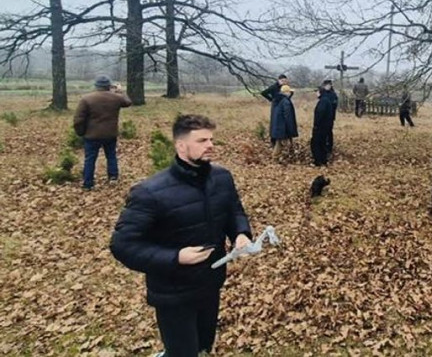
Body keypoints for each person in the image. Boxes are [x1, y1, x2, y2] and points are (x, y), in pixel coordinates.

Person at [110, 114, 253, 357]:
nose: (210, 145)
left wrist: (240, 233)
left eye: (211, 139)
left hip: (211, 283)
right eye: (202, 141)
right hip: (173, 293)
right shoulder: (150, 192)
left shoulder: (222, 178)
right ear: (181, 146)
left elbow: (233, 211)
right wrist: (175, 257)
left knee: (203, 347)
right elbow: (122, 245)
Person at [73, 75, 133, 190]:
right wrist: (120, 91)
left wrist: (81, 132)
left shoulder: (86, 99)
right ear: (109, 86)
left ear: (96, 86)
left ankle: (88, 184)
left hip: (92, 135)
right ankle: (113, 177)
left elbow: (78, 119)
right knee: (111, 156)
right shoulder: (116, 98)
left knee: (90, 159)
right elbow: (128, 102)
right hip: (110, 134)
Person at [270, 85, 298, 161]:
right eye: (290, 92)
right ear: (286, 92)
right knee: (279, 144)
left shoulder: (277, 100)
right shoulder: (286, 102)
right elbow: (288, 116)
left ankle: (286, 157)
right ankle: (275, 158)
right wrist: (291, 128)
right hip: (283, 128)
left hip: (278, 127)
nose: (291, 93)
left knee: (282, 143)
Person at [261, 74, 288, 147]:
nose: (284, 82)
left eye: (285, 81)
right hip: (275, 106)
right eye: (282, 81)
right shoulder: (274, 87)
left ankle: (281, 139)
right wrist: (271, 99)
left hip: (283, 106)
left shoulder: (284, 87)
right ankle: (273, 141)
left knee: (282, 123)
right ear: (278, 80)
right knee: (274, 122)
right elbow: (263, 93)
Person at [311, 86, 335, 166]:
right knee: (322, 143)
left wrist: (316, 125)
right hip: (325, 126)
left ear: (320, 92)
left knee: (317, 143)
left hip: (321, 127)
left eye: (317, 92)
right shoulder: (326, 100)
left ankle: (318, 161)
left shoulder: (323, 101)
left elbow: (320, 114)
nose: (316, 93)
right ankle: (323, 160)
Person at [322, 80, 338, 159]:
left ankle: (329, 148)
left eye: (329, 85)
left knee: (329, 131)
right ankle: (323, 146)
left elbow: (335, 105)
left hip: (330, 116)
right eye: (326, 85)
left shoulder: (333, 94)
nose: (328, 86)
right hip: (322, 116)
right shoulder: (322, 93)